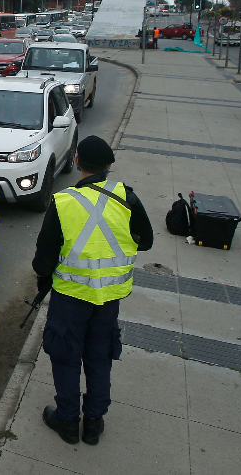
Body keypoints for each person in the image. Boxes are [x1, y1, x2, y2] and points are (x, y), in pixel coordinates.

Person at [31, 135, 153, 446]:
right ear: (109, 166)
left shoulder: (63, 202)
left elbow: (42, 261)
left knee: (66, 357)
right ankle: (94, 423)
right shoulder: (128, 197)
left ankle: (68, 421)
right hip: (110, 299)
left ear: (76, 162)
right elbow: (147, 240)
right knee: (100, 358)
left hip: (71, 298)